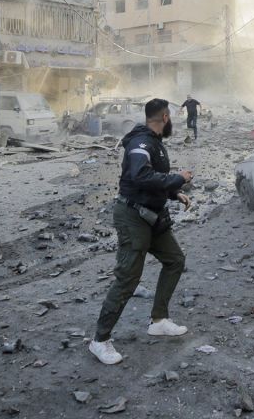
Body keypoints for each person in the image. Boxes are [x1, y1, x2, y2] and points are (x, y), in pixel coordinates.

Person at [89, 98, 193, 365]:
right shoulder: (141, 143)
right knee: (128, 278)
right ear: (165, 118)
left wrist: (174, 193)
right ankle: (99, 340)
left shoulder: (155, 143)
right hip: (133, 217)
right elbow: (140, 176)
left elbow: (152, 180)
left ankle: (158, 320)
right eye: (171, 118)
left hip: (153, 216)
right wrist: (178, 177)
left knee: (175, 260)